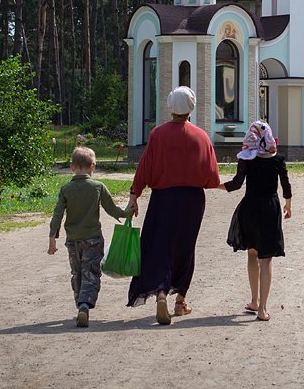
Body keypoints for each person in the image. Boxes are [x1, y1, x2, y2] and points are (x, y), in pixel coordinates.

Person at [126, 86, 221, 325]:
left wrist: (134, 194)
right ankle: (180, 300)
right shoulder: (201, 136)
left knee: (160, 247)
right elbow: (212, 176)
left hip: (163, 199)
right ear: (191, 107)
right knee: (185, 248)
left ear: (170, 108)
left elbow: (145, 168)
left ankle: (160, 293)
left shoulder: (158, 135)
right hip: (192, 202)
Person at [47, 145, 127, 328]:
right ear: (93, 166)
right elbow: (112, 209)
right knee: (90, 271)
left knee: (77, 273)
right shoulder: (98, 187)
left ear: (72, 167)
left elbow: (57, 214)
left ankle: (79, 304)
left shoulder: (66, 189)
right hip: (93, 239)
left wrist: (52, 238)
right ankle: (85, 304)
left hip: (73, 240)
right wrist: (126, 214)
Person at [224, 121, 292, 322]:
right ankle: (262, 308)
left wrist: (214, 185)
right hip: (270, 208)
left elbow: (236, 184)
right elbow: (285, 184)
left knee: (252, 254)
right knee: (266, 258)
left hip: (250, 207)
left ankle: (254, 300)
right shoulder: (278, 159)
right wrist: (288, 204)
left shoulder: (247, 159)